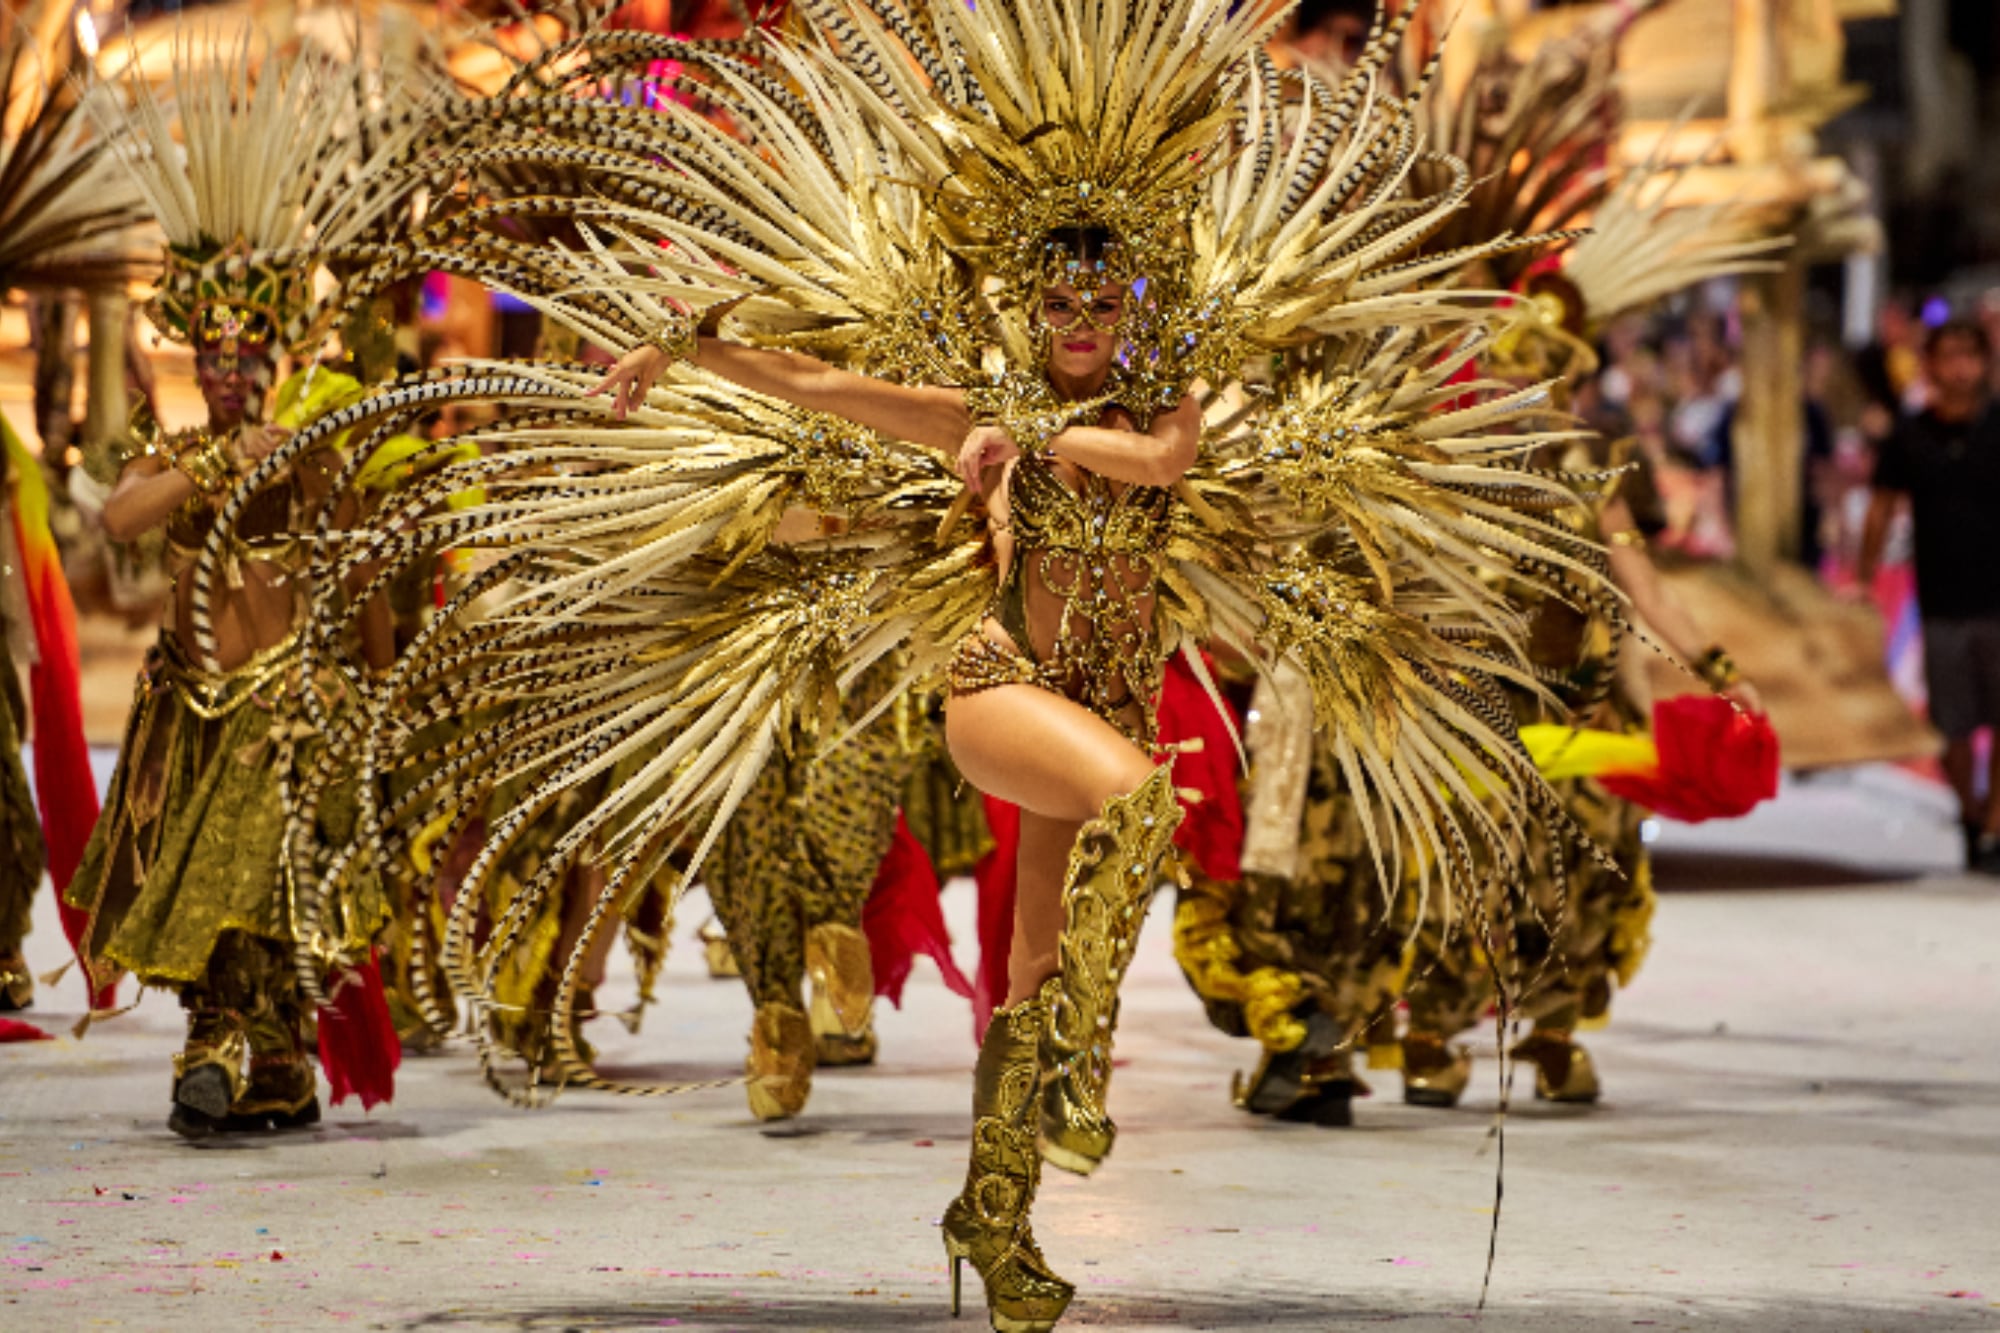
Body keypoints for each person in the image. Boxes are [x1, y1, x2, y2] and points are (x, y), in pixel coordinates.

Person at [288, 6, 1626, 1327]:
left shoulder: (1153, 407)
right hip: (1001, 690)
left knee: (1032, 980)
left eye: (1103, 302)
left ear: (1134, 308)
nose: (1080, 320)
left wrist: (1040, 437)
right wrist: (685, 346)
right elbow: (815, 383)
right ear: (1031, 308)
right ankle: (1075, 1082)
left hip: (1101, 701)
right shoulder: (979, 417)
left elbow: (1165, 459)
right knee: (1140, 805)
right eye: (1059, 302)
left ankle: (997, 1217)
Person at [65, 40, 416, 1136]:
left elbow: (362, 584)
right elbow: (119, 519)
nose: (226, 369)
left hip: (285, 712)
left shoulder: (313, 455)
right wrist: (219, 463)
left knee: (261, 884)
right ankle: (256, 1057)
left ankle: (243, 1047)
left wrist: (381, 696)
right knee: (209, 889)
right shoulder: (173, 456)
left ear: (271, 359)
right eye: (211, 354)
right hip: (190, 714)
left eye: (244, 352)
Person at [1859, 318, 2000, 871]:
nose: (1960, 367)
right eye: (1949, 356)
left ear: (1985, 363)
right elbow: (1881, 508)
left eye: (1970, 355)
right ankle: (1970, 811)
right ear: (1932, 366)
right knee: (1951, 726)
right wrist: (1863, 578)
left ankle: (1995, 823)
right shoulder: (1909, 435)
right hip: (1939, 602)